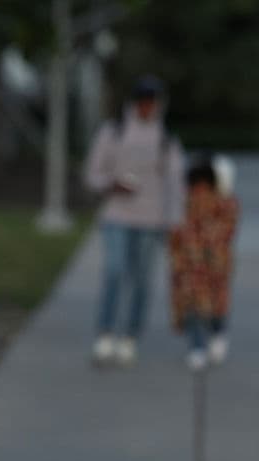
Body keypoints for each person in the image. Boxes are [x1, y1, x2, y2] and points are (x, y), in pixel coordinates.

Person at [84, 74, 186, 366]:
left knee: (141, 280)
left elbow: (175, 183)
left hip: (151, 219)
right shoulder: (114, 132)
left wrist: (175, 222)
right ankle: (105, 332)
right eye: (143, 101)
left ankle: (130, 335)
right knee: (115, 271)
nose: (147, 107)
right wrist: (111, 184)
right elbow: (93, 174)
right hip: (117, 214)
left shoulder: (166, 139)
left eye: (152, 101)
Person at [169, 154, 239, 371]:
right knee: (196, 307)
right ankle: (198, 346)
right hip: (193, 266)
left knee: (214, 306)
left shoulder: (224, 202)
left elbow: (226, 230)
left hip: (212, 265)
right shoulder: (187, 200)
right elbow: (177, 232)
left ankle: (214, 336)